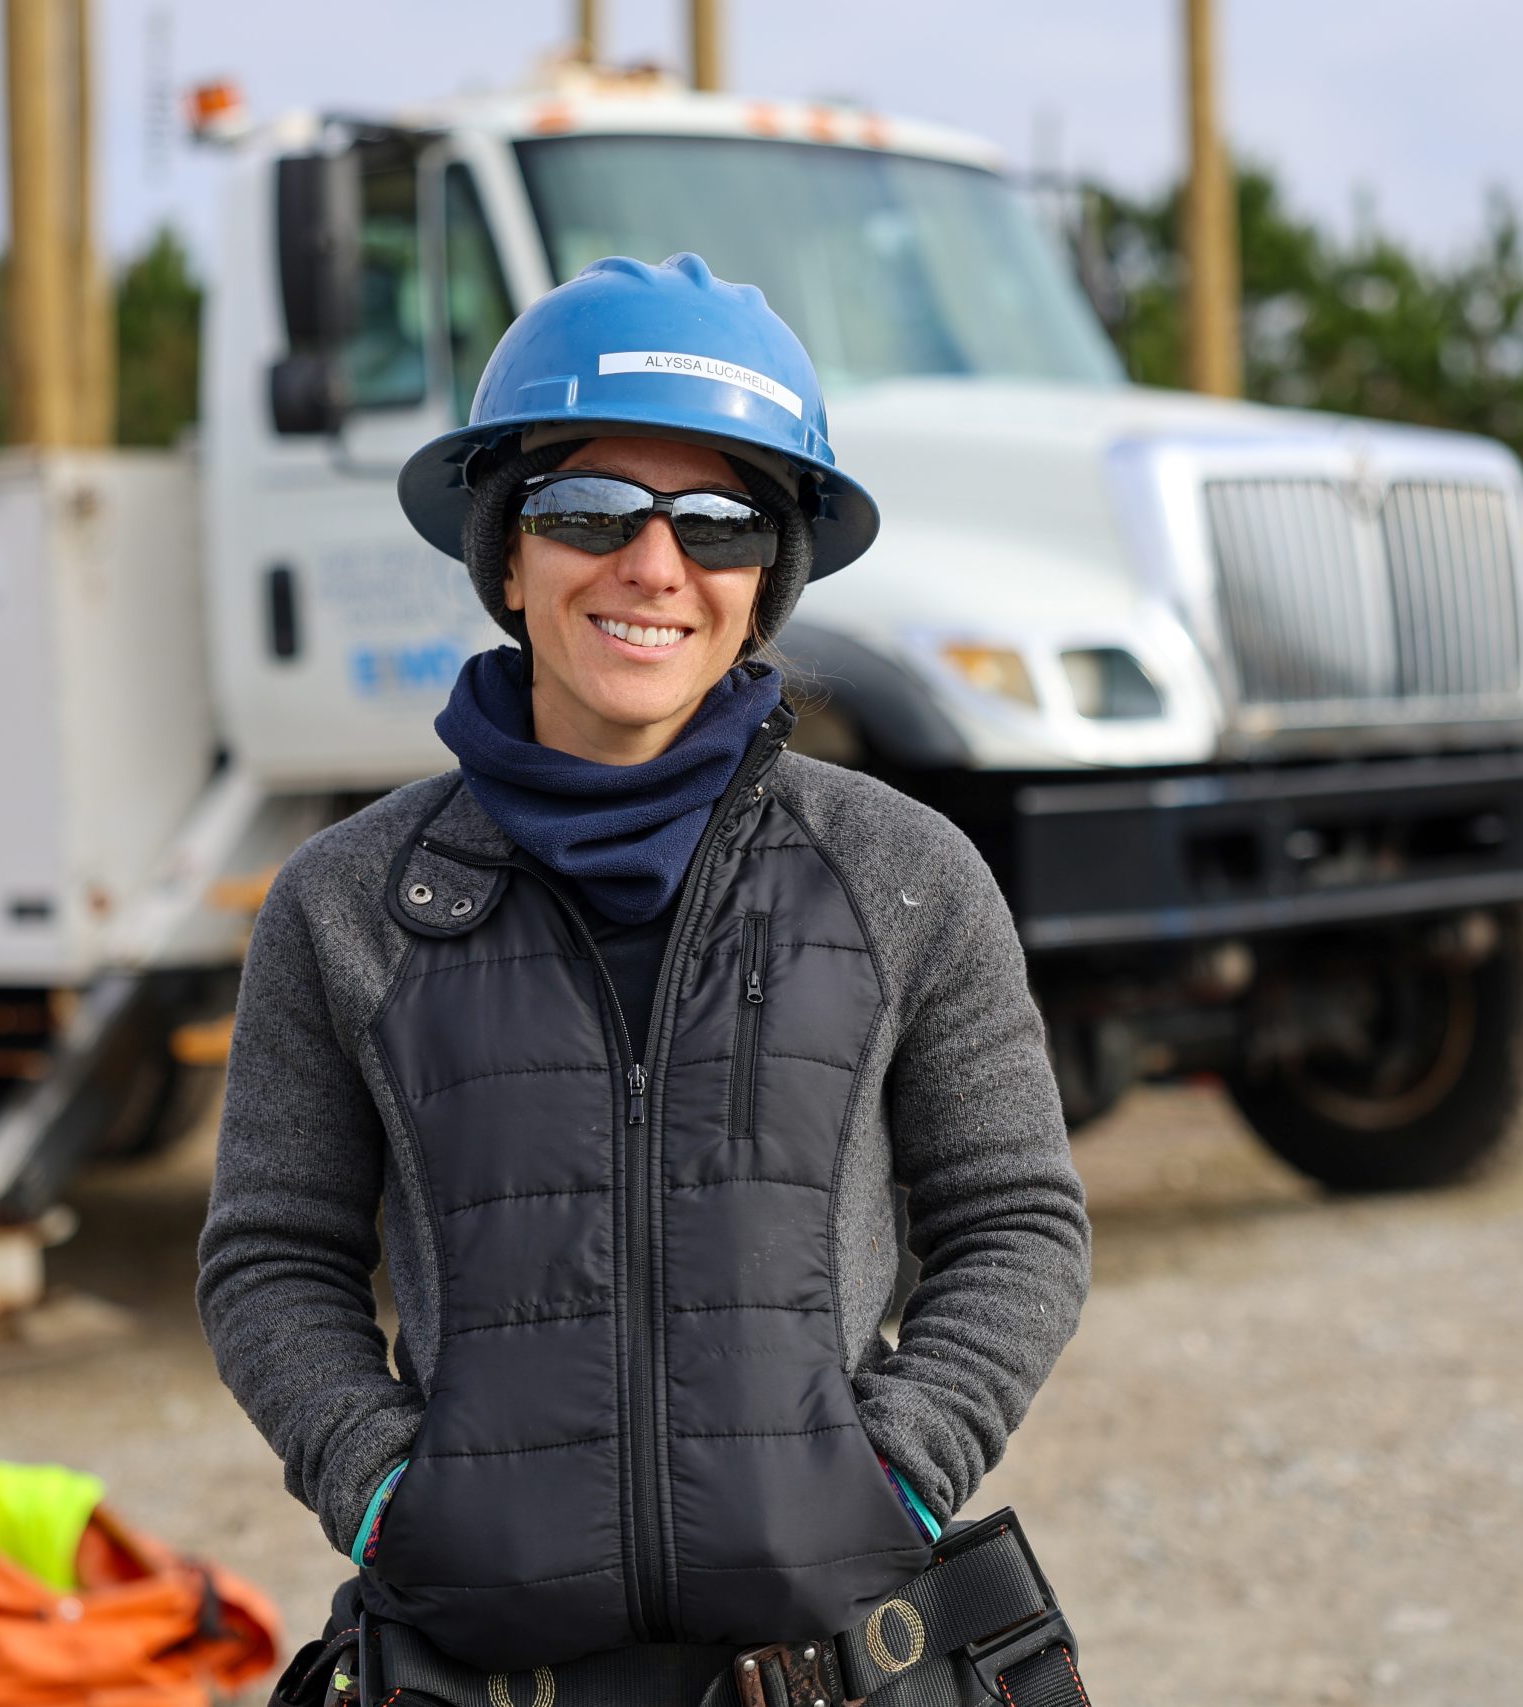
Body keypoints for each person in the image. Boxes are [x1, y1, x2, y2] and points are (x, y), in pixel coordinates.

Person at [197, 255, 1092, 1690]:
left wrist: (896, 1475)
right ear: (506, 551)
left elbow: (1019, 1218)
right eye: (589, 508)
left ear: (769, 577)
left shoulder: (906, 873)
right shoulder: (345, 903)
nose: (653, 562)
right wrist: (381, 1489)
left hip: (829, 1660)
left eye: (722, 518)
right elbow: (269, 1252)